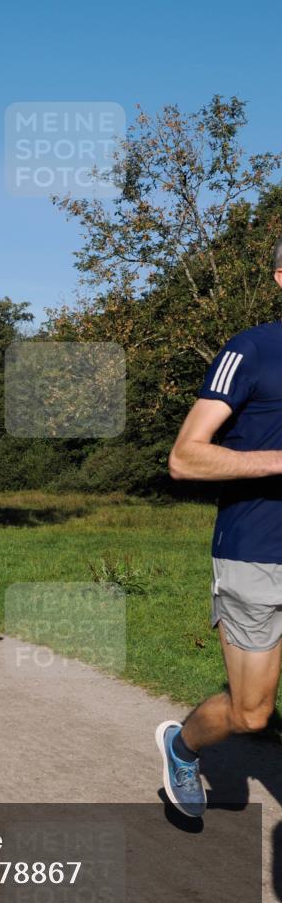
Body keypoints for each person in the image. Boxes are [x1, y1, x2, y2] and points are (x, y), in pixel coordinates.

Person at [157, 237, 282, 818]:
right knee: (252, 713)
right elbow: (185, 457)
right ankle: (182, 746)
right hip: (258, 554)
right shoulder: (251, 351)